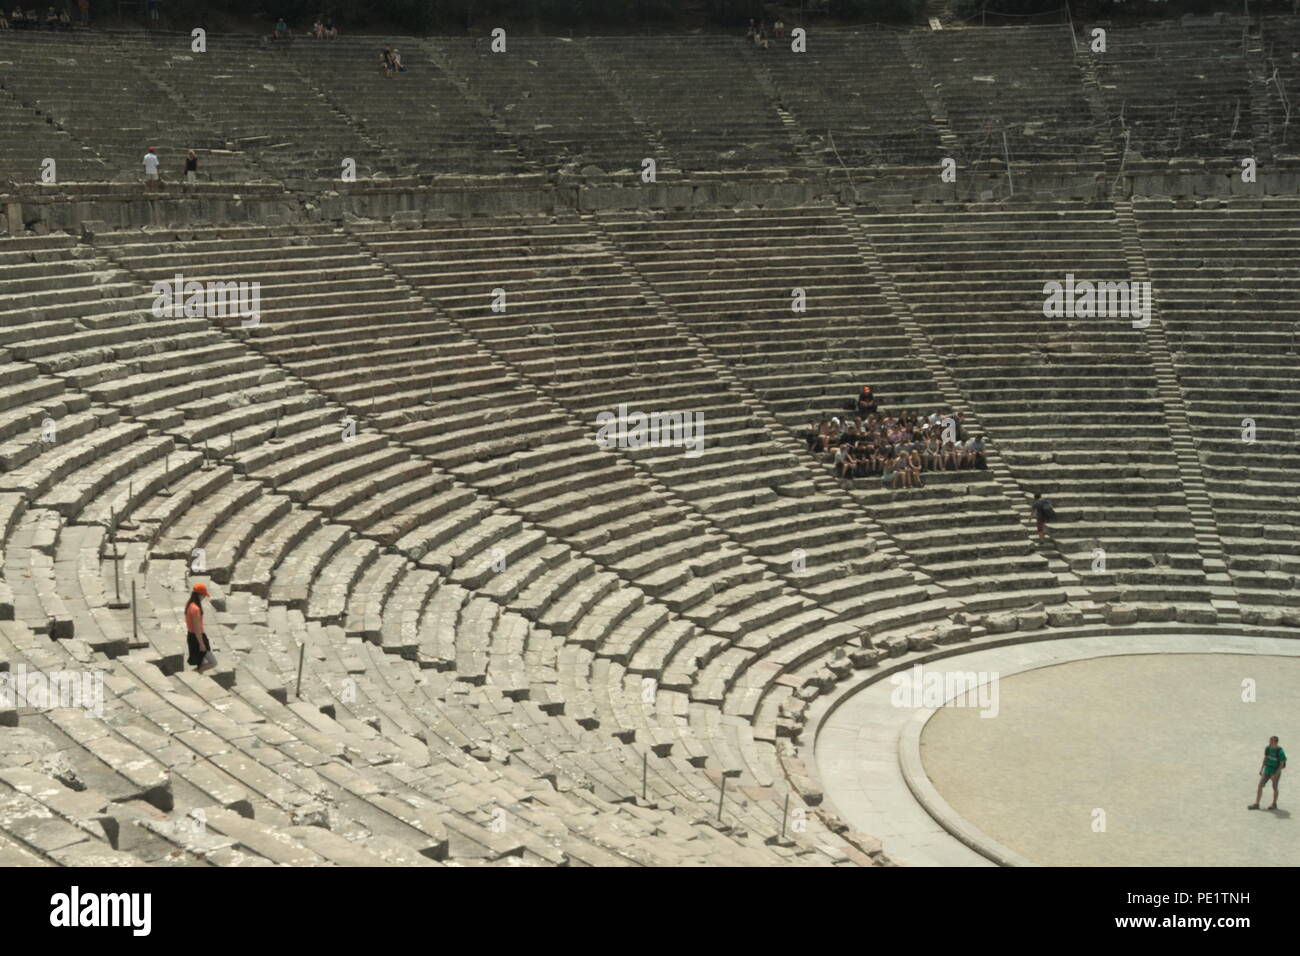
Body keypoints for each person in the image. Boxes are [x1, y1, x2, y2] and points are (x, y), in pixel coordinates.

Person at [1249, 736, 1286, 810]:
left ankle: (1274, 803)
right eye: (1270, 741)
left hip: (1275, 771)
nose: (1270, 743)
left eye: (1271, 741)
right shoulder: (1267, 748)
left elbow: (1281, 764)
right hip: (1267, 770)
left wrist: (1276, 774)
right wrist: (1261, 769)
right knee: (1260, 785)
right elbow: (1265, 758)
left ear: (1276, 742)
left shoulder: (1280, 752)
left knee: (1274, 787)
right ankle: (1257, 804)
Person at [185, 583, 214, 672]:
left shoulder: (189, 604)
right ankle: (192, 674)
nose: (204, 597)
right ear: (199, 595)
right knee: (212, 662)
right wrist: (201, 644)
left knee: (201, 662)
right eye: (204, 595)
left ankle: (195, 674)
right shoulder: (196, 609)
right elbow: (197, 628)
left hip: (191, 636)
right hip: (197, 637)